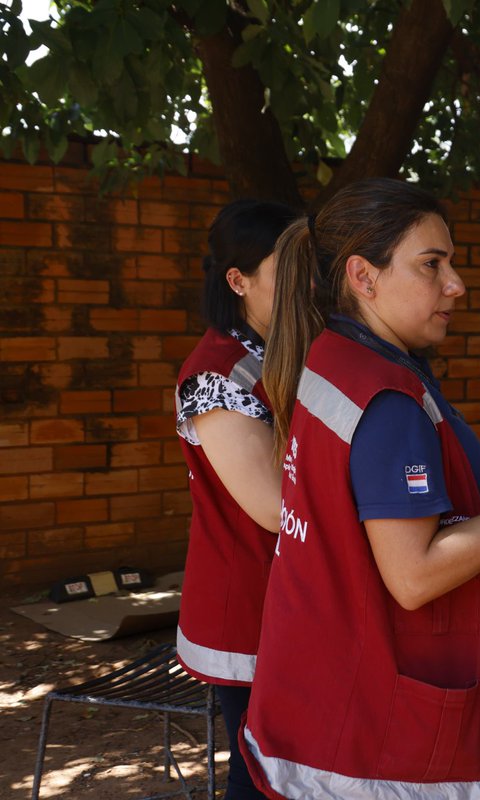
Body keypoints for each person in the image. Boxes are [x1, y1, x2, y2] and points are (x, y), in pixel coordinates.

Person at [242, 178, 480, 799]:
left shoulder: (328, 355)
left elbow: (362, 512)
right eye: (432, 265)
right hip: (374, 735)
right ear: (363, 277)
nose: (456, 284)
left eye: (450, 263)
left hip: (316, 690)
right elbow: (414, 575)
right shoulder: (388, 400)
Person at [174, 198, 299, 799]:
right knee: (261, 775)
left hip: (286, 601)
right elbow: (276, 507)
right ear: (238, 280)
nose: (309, 287)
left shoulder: (279, 352)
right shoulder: (216, 378)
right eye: (290, 272)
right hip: (247, 608)